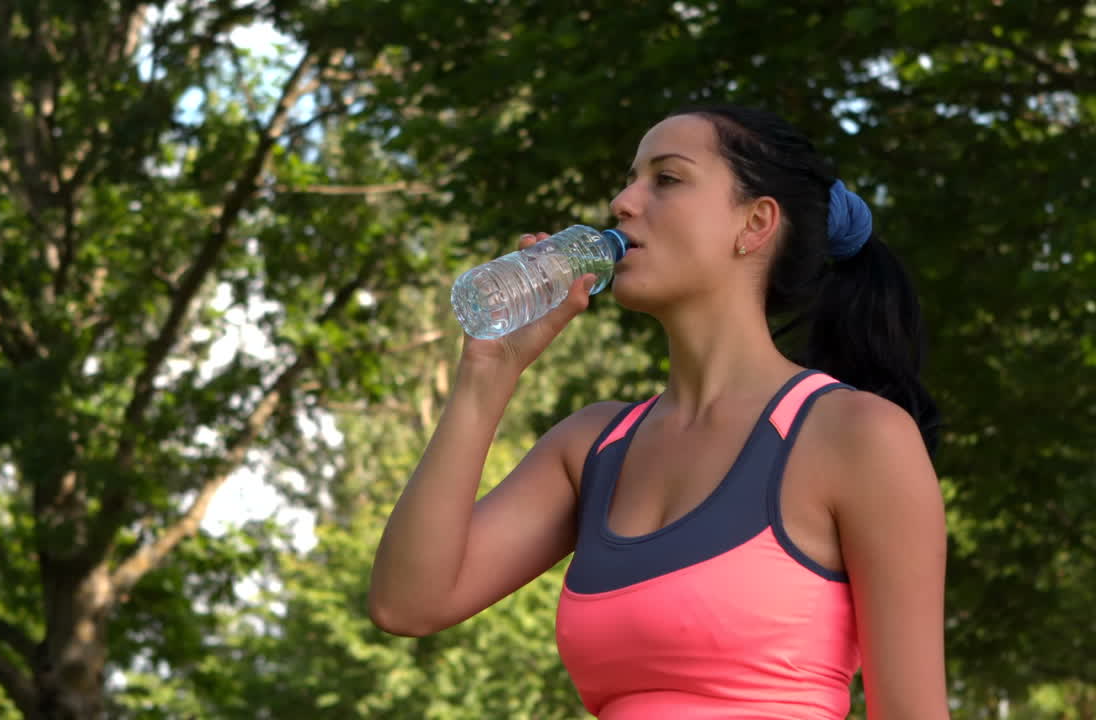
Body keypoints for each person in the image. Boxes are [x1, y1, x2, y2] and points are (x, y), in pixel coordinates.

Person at [368, 104, 949, 719]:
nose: (623, 201)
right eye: (630, 178)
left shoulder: (857, 436)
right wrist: (486, 377)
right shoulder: (593, 446)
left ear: (755, 224)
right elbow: (407, 603)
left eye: (665, 179)